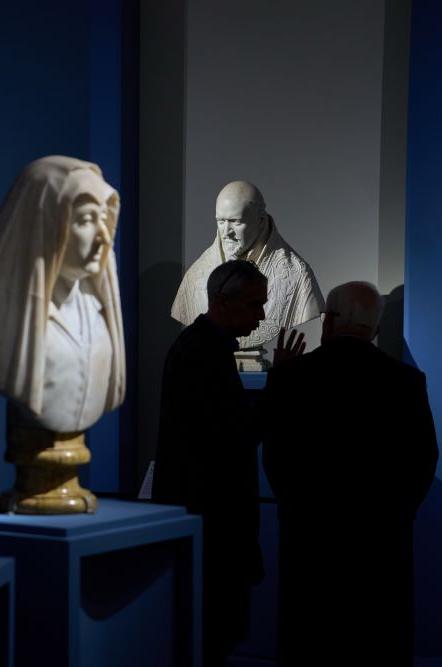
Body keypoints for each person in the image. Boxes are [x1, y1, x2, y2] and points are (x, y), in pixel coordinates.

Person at [0, 155, 126, 513]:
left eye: (105, 219)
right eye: (84, 220)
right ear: (46, 225)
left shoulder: (98, 313)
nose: (102, 236)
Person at [261, 281, 438, 666]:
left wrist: (295, 508)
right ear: (374, 327)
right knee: (376, 640)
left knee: (310, 639)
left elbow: (275, 456)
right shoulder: (406, 381)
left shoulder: (291, 377)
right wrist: (396, 514)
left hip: (309, 537)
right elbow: (423, 459)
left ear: (328, 322)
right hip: (381, 541)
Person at [153, 259, 303, 666]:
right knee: (211, 633)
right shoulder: (204, 354)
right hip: (211, 521)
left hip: (204, 518)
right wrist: (280, 382)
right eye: (255, 304)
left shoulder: (200, 347)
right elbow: (235, 437)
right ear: (222, 300)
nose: (261, 315)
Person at [170, 181, 324, 367]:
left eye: (236, 222)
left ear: (260, 220)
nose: (227, 232)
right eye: (220, 221)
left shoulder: (297, 274)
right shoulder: (195, 276)